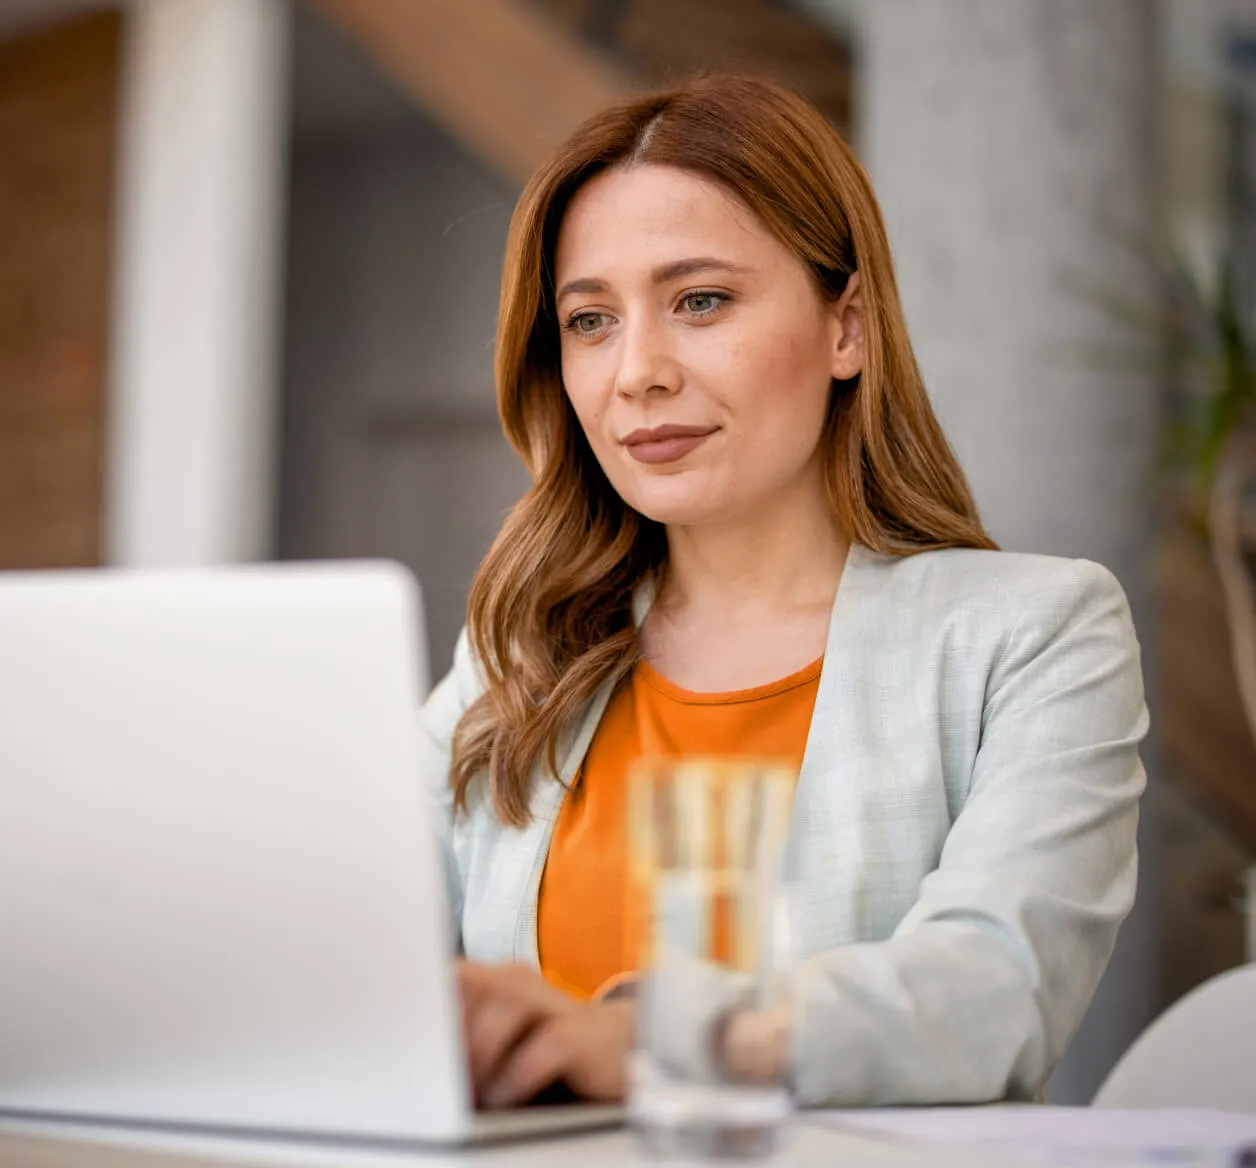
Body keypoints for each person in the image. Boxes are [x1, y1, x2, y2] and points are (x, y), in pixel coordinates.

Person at [417, 73, 1148, 1111]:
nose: (636, 372)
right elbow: (345, 939)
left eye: (699, 300)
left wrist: (637, 1037)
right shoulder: (516, 660)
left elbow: (995, 987)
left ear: (845, 327)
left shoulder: (1032, 633)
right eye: (589, 319)